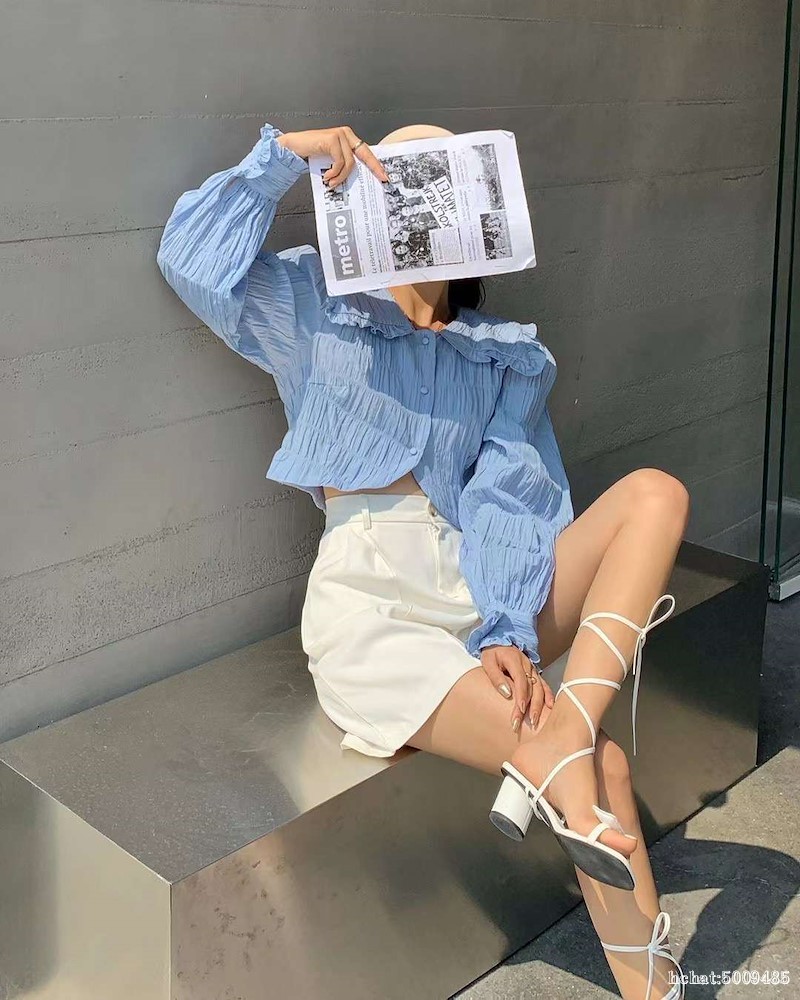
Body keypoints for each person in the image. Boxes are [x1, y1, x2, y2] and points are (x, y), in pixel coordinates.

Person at [156, 120, 689, 1000]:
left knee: (655, 495)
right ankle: (651, 979)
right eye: (395, 177)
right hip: (374, 600)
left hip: (477, 583)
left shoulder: (498, 354)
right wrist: (287, 156)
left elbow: (507, 501)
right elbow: (190, 260)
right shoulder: (314, 307)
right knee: (603, 773)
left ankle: (569, 724)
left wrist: (509, 626)